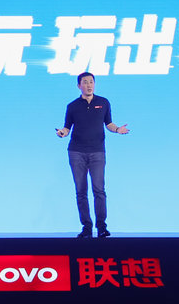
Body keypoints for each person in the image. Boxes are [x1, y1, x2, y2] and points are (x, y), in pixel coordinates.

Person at [54, 71, 129, 238]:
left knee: (99, 190)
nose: (89, 85)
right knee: (81, 191)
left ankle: (101, 227)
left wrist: (118, 129)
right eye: (85, 82)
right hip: (76, 152)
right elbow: (67, 127)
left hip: (97, 152)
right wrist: (62, 133)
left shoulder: (103, 102)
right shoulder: (72, 106)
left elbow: (109, 123)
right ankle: (86, 227)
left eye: (91, 82)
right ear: (79, 85)